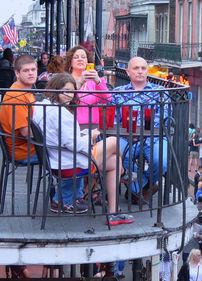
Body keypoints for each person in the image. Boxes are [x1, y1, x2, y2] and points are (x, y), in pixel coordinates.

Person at [33, 74, 133, 224]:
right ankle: (125, 173)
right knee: (113, 141)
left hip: (56, 160)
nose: (69, 95)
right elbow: (75, 144)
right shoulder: (60, 113)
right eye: (65, 91)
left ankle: (114, 212)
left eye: (72, 92)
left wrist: (84, 134)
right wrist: (90, 136)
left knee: (114, 161)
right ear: (55, 89)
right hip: (69, 164)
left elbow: (64, 138)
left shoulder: (41, 107)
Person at [112, 57, 169, 201]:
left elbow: (163, 118)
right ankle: (140, 189)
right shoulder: (118, 92)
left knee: (160, 161)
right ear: (128, 72)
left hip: (153, 137)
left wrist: (141, 133)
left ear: (147, 71)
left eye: (143, 68)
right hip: (125, 137)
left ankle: (140, 186)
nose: (140, 71)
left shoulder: (160, 92)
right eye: (136, 68)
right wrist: (128, 133)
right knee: (119, 157)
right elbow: (114, 120)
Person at [0, 54, 38, 164]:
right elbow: (26, 132)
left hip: (31, 147)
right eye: (26, 71)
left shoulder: (24, 91)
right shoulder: (17, 96)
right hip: (24, 153)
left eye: (33, 69)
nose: (31, 73)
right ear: (17, 73)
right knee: (72, 155)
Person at [65, 45, 110, 127]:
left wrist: (98, 82)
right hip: (70, 126)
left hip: (92, 127)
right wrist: (79, 83)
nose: (80, 59)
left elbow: (106, 100)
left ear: (87, 61)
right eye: (76, 57)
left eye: (83, 57)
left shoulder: (94, 81)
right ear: (70, 61)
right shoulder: (64, 80)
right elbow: (63, 101)